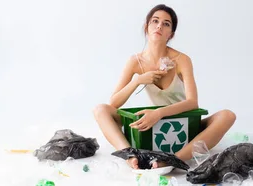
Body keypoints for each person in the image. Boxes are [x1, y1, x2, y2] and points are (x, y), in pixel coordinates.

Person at [93, 4, 236, 169]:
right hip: (155, 126)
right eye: (155, 21)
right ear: (147, 27)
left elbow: (192, 103)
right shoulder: (135, 61)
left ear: (171, 34)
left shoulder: (182, 60)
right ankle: (129, 154)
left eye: (166, 23)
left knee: (227, 115)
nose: (159, 26)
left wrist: (158, 113)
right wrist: (137, 81)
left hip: (186, 123)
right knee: (100, 109)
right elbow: (114, 103)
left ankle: (172, 160)